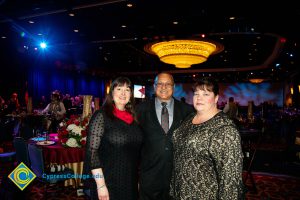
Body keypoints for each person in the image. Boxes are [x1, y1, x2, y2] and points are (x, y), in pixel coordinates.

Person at [170, 77, 245, 199]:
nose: (199, 97)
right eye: (196, 94)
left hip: (205, 194)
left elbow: (231, 179)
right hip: (180, 192)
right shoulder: (189, 118)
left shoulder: (224, 128)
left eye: (205, 94)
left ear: (216, 98)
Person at [83, 77, 143, 200]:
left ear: (131, 94)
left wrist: (137, 180)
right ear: (112, 92)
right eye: (119, 88)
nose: (123, 93)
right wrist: (100, 185)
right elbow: (92, 154)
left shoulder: (133, 118)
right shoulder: (101, 116)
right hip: (108, 181)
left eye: (127, 90)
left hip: (129, 181)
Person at [136, 72, 194, 200]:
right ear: (154, 86)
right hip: (149, 178)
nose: (164, 87)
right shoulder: (140, 110)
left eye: (168, 84)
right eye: (160, 83)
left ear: (173, 87)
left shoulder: (187, 111)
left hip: (178, 178)